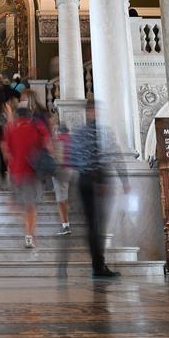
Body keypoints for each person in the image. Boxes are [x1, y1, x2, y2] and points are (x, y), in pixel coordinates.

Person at [70, 101, 128, 278]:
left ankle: (98, 264)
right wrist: (121, 179)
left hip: (85, 181)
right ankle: (98, 266)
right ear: (91, 112)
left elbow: (73, 158)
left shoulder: (78, 133)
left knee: (93, 225)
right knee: (97, 225)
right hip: (97, 181)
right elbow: (113, 154)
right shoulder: (102, 132)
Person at [2, 104, 50, 249]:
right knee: (31, 207)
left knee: (21, 205)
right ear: (29, 117)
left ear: (17, 117)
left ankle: (16, 208)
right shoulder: (37, 128)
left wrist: (11, 163)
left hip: (16, 172)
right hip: (31, 173)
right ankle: (29, 235)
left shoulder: (11, 130)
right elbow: (48, 145)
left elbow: (5, 151)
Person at [52, 123, 76, 235]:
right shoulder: (73, 140)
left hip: (61, 171)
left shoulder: (57, 139)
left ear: (58, 131)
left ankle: (65, 226)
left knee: (61, 199)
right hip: (74, 171)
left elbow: (53, 157)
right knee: (67, 196)